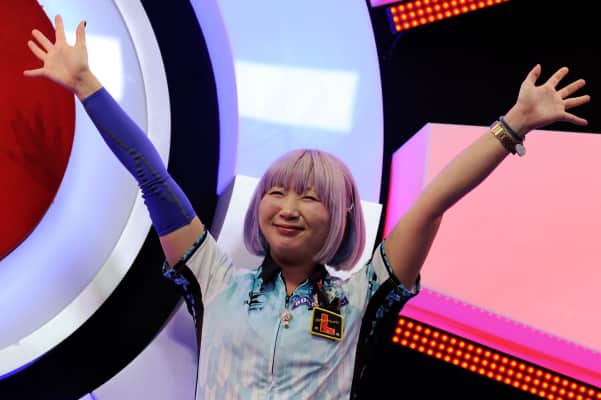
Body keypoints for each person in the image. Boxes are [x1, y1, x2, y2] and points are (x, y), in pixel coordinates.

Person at [24, 15, 590, 400]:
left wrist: (513, 124)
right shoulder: (214, 279)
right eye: (277, 192)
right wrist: (87, 85)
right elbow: (152, 177)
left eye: (310, 197)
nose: (288, 208)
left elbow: (432, 204)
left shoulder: (364, 294)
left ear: (340, 219)